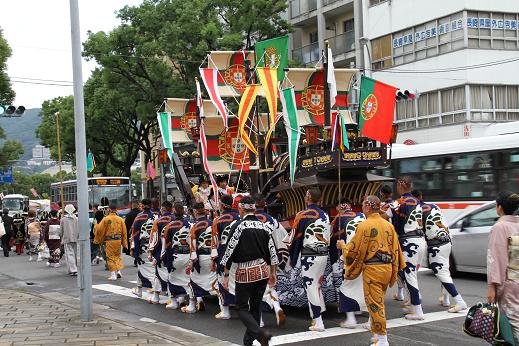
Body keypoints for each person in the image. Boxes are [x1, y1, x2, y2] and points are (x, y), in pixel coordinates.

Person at [337, 196, 405, 346]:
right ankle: (376, 336)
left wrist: (343, 246)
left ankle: (382, 339)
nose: (361, 208)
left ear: (368, 207)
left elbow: (354, 250)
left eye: (362, 205)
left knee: (375, 305)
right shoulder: (388, 225)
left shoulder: (364, 226)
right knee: (378, 302)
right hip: (387, 268)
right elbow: (396, 249)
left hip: (373, 269)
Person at [220, 196, 278, 346]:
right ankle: (248, 342)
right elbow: (272, 251)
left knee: (241, 307)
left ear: (241, 209)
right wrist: (273, 272)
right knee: (255, 307)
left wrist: (226, 275)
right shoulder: (264, 227)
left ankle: (260, 334)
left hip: (246, 271)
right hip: (262, 270)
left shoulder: (239, 226)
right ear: (254, 209)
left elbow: (229, 252)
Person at [411, 190, 467, 313]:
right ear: (421, 197)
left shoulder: (416, 211)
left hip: (436, 244)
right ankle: (446, 299)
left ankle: (460, 301)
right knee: (445, 270)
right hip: (447, 241)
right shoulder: (434, 206)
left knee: (441, 272)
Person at [285, 188, 330, 332]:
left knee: (310, 286)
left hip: (309, 255)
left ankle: (318, 321)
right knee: (317, 285)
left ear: (308, 197)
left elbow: (294, 238)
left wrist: (290, 254)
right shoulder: (325, 215)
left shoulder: (302, 215)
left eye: (306, 195)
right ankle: (318, 314)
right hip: (323, 254)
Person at [382, 177, 426, 320]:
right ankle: (414, 304)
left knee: (409, 275)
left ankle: (418, 310)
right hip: (420, 240)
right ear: (410, 187)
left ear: (400, 188)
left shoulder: (398, 202)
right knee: (410, 274)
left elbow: (383, 217)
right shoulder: (418, 202)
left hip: (408, 242)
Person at [487, 192, 519, 343]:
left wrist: (492, 286)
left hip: (511, 282)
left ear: (499, 207)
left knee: (513, 322)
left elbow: (497, 259)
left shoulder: (500, 227)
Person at [329, 198, 366, 328]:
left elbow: (332, 240)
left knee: (345, 286)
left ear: (338, 207)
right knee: (362, 284)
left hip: (347, 256)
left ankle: (350, 319)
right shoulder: (362, 215)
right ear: (350, 206)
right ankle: (359, 309)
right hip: (366, 255)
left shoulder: (338, 219)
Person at [253, 193, 287, 327]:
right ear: (265, 205)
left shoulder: (248, 220)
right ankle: (277, 307)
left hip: (254, 259)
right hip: (270, 258)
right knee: (270, 285)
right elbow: (283, 236)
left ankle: (259, 320)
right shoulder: (272, 220)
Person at [181, 202, 216, 313]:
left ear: (195, 212)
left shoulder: (194, 226)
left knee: (193, 280)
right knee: (215, 283)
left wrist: (192, 261)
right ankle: (224, 307)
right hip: (212, 257)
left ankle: (192, 304)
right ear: (205, 211)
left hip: (200, 257)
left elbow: (191, 243)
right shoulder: (214, 223)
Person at [211, 194, 240, 320]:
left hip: (224, 253)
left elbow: (215, 241)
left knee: (222, 281)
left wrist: (213, 259)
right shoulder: (239, 216)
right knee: (240, 280)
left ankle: (226, 310)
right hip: (240, 252)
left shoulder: (217, 220)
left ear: (222, 205)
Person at [161, 201, 193, 309]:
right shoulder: (190, 225)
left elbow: (165, 245)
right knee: (188, 279)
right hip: (188, 256)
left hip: (175, 257)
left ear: (174, 211)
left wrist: (163, 258)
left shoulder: (168, 226)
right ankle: (192, 303)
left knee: (172, 279)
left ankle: (174, 302)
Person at [147, 201, 174, 304]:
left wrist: (150, 252)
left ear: (162, 209)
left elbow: (154, 238)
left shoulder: (158, 221)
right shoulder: (175, 220)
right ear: (171, 209)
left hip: (161, 251)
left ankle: (156, 296)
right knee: (176, 274)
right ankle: (178, 297)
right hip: (175, 251)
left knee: (158, 274)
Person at [94, 203, 129, 280]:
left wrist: (96, 224)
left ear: (109, 209)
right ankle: (118, 271)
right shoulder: (120, 219)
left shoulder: (106, 219)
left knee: (110, 257)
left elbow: (99, 230)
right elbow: (124, 231)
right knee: (117, 256)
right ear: (116, 209)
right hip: (118, 240)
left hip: (110, 240)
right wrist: (124, 242)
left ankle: (113, 274)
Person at [130, 198, 157, 296]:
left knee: (149, 270)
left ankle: (155, 291)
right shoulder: (156, 216)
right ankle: (139, 289)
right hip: (154, 246)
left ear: (141, 205)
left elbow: (135, 234)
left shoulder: (139, 217)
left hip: (143, 247)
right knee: (142, 268)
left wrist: (133, 248)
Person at [60, 205, 79, 276]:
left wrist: (61, 237)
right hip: (75, 238)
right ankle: (74, 268)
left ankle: (73, 269)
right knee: (74, 254)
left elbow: (61, 230)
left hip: (67, 238)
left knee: (69, 254)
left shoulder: (63, 219)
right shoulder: (77, 219)